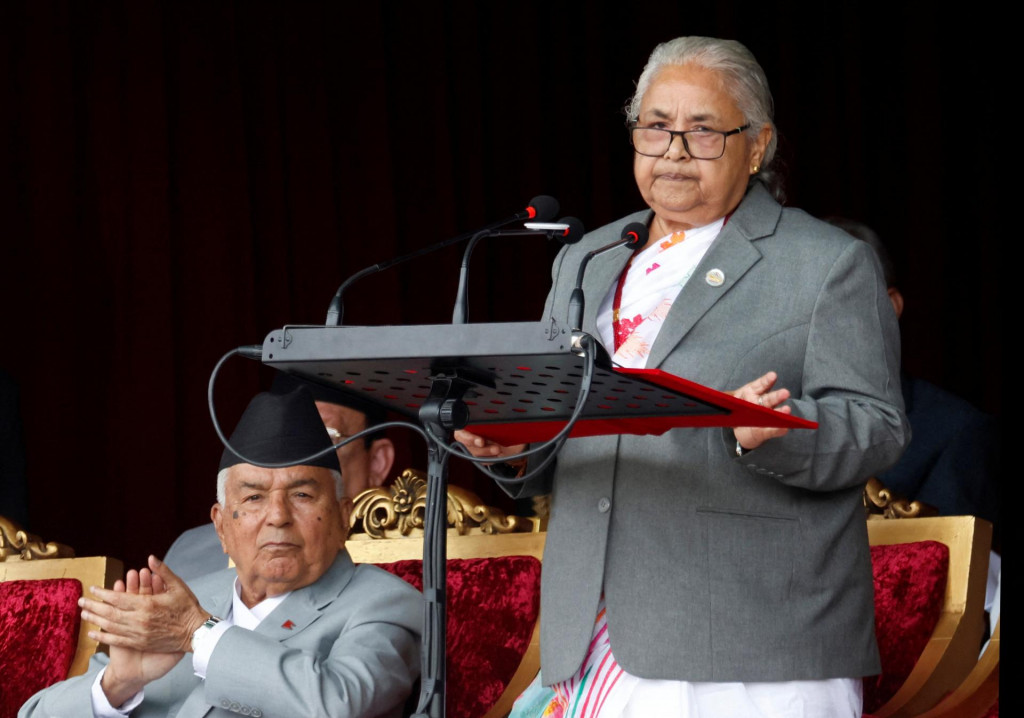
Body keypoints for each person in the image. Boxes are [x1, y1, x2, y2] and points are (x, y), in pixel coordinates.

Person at [457, 36, 908, 717]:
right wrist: (515, 447)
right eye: (656, 128)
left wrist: (778, 432)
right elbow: (561, 428)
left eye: (702, 132)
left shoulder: (824, 263)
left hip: (755, 644)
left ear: (756, 146)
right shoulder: (588, 259)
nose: (673, 150)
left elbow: (878, 427)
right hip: (596, 634)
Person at [21, 386, 421, 718]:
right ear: (221, 526)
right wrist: (119, 683)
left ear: (342, 517)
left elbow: (337, 706)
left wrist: (199, 633)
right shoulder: (190, 599)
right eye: (253, 498)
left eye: (301, 494)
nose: (277, 517)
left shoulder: (387, 603)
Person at [165, 373, 396, 580]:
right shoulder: (192, 554)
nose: (294, 457)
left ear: (377, 462)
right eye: (279, 437)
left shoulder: (396, 580)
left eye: (324, 438)